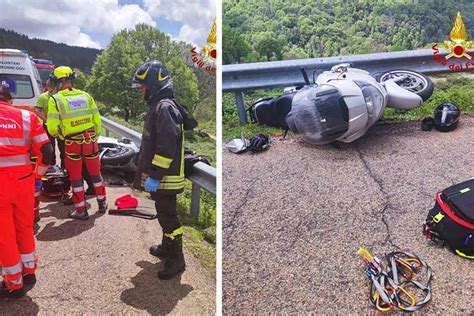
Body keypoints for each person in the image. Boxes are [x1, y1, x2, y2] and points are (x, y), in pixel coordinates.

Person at [131, 60, 187, 279]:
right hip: (162, 178)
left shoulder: (164, 107)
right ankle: (167, 248)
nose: (142, 91)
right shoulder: (160, 105)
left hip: (166, 178)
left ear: (154, 85)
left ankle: (177, 259)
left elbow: (166, 148)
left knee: (169, 219)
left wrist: (154, 176)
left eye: (144, 86)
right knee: (164, 216)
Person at [0, 84, 53, 298]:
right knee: (24, 226)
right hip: (24, 181)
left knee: (4, 235)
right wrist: (38, 176)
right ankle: (29, 271)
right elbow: (47, 151)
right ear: (9, 100)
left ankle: (14, 284)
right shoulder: (26, 116)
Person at [47, 66, 107, 220]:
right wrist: (94, 136)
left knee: (76, 177)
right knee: (95, 173)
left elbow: (52, 128)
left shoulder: (55, 99)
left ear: (57, 81)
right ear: (72, 79)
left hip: (72, 143)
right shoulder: (86, 95)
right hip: (90, 141)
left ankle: (80, 210)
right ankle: (102, 203)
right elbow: (97, 121)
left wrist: (62, 135)